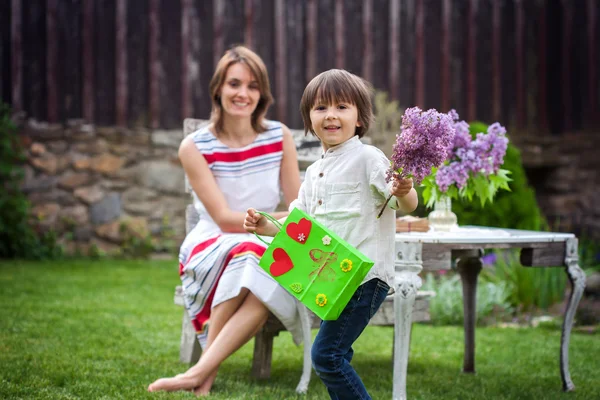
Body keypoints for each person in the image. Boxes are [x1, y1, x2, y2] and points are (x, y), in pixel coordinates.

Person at [244, 69, 418, 400]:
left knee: (327, 356)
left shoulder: (367, 158)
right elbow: (299, 223)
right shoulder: (313, 173)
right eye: (321, 108)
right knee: (339, 353)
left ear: (360, 117)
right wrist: (267, 226)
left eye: (342, 106)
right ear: (309, 118)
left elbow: (403, 203)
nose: (331, 115)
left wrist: (405, 188)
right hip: (332, 280)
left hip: (364, 280)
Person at [148, 46, 303, 395]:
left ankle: (200, 373)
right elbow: (224, 219)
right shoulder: (195, 146)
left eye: (252, 86)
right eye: (234, 84)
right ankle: (205, 374)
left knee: (264, 268)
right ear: (218, 88)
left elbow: (298, 205)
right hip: (212, 241)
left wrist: (284, 220)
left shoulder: (279, 137)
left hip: (263, 240)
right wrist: (285, 218)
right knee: (254, 254)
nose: (242, 94)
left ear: (262, 93)